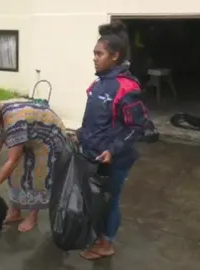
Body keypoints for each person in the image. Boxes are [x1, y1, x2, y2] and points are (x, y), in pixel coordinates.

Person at [75, 21, 150, 260]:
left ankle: (106, 243)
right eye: (94, 54)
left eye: (99, 54)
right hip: (92, 155)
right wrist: (80, 134)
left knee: (110, 201)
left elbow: (137, 126)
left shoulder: (126, 88)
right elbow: (98, 119)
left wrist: (113, 150)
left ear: (115, 56)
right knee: (95, 198)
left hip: (113, 159)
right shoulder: (99, 83)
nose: (94, 59)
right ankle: (98, 235)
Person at [0, 88, 67, 232]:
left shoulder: (14, 120)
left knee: (37, 174)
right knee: (16, 174)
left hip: (48, 138)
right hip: (28, 134)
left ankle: (32, 215)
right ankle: (15, 212)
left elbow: (13, 160)